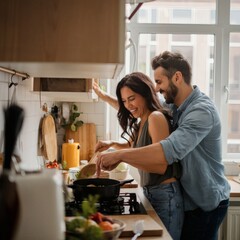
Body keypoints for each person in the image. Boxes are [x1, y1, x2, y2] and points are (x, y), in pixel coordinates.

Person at [94, 51, 231, 240]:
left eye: (159, 82)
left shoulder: (201, 111)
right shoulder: (175, 106)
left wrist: (119, 155)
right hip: (189, 197)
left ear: (177, 77)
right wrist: (104, 97)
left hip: (205, 200)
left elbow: (167, 151)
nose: (156, 88)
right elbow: (140, 108)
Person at [94, 72, 184, 240]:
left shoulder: (156, 118)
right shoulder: (142, 120)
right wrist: (113, 145)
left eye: (132, 98)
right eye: (124, 101)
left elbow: (160, 165)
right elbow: (138, 147)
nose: (128, 105)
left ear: (145, 93)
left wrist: (121, 156)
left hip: (165, 195)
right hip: (153, 193)